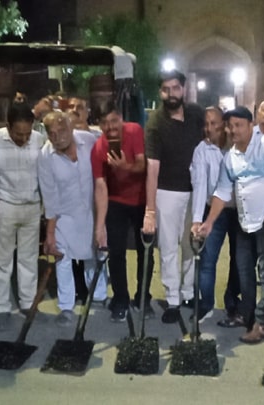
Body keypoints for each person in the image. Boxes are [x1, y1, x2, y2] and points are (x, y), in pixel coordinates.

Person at [195, 106, 264, 344]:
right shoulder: (231, 156)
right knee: (244, 270)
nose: (233, 130)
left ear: (250, 125)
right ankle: (248, 315)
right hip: (244, 221)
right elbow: (222, 192)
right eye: (230, 126)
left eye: (238, 125)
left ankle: (263, 322)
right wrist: (209, 222)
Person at [143, 69, 205, 323]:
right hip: (167, 192)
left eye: (175, 88)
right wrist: (150, 211)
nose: (171, 94)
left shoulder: (196, 115)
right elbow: (152, 169)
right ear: (160, 92)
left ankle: (188, 293)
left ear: (184, 89)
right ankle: (172, 299)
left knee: (191, 244)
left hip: (195, 191)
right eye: (166, 89)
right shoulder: (156, 123)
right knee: (168, 247)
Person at [38, 111, 107, 326]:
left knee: (94, 255)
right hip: (64, 216)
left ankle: (99, 296)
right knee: (63, 259)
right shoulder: (45, 155)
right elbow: (49, 195)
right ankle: (66, 306)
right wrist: (50, 234)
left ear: (71, 128)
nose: (58, 137)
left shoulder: (88, 139)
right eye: (52, 133)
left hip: (91, 210)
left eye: (62, 131)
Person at [92, 100, 153, 323]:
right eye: (104, 123)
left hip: (141, 199)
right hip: (116, 201)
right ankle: (120, 299)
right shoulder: (98, 148)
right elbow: (100, 186)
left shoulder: (134, 130)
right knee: (116, 252)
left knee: (145, 251)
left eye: (113, 121)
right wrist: (100, 226)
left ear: (120, 118)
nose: (110, 127)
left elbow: (142, 164)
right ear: (99, 125)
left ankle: (143, 298)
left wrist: (124, 166)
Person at [0, 103, 46, 330]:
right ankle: (2, 306)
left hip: (32, 205)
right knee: (2, 260)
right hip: (5, 205)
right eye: (18, 134)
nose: (23, 138)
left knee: (29, 258)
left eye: (27, 133)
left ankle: (28, 303)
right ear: (8, 126)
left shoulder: (39, 139)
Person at [189, 106, 240, 323]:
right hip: (214, 212)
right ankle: (206, 304)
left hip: (238, 212)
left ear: (224, 124)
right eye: (206, 124)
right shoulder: (202, 150)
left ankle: (233, 304)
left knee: (239, 261)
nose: (209, 128)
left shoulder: (238, 146)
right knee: (207, 260)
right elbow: (200, 185)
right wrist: (197, 220)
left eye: (214, 123)